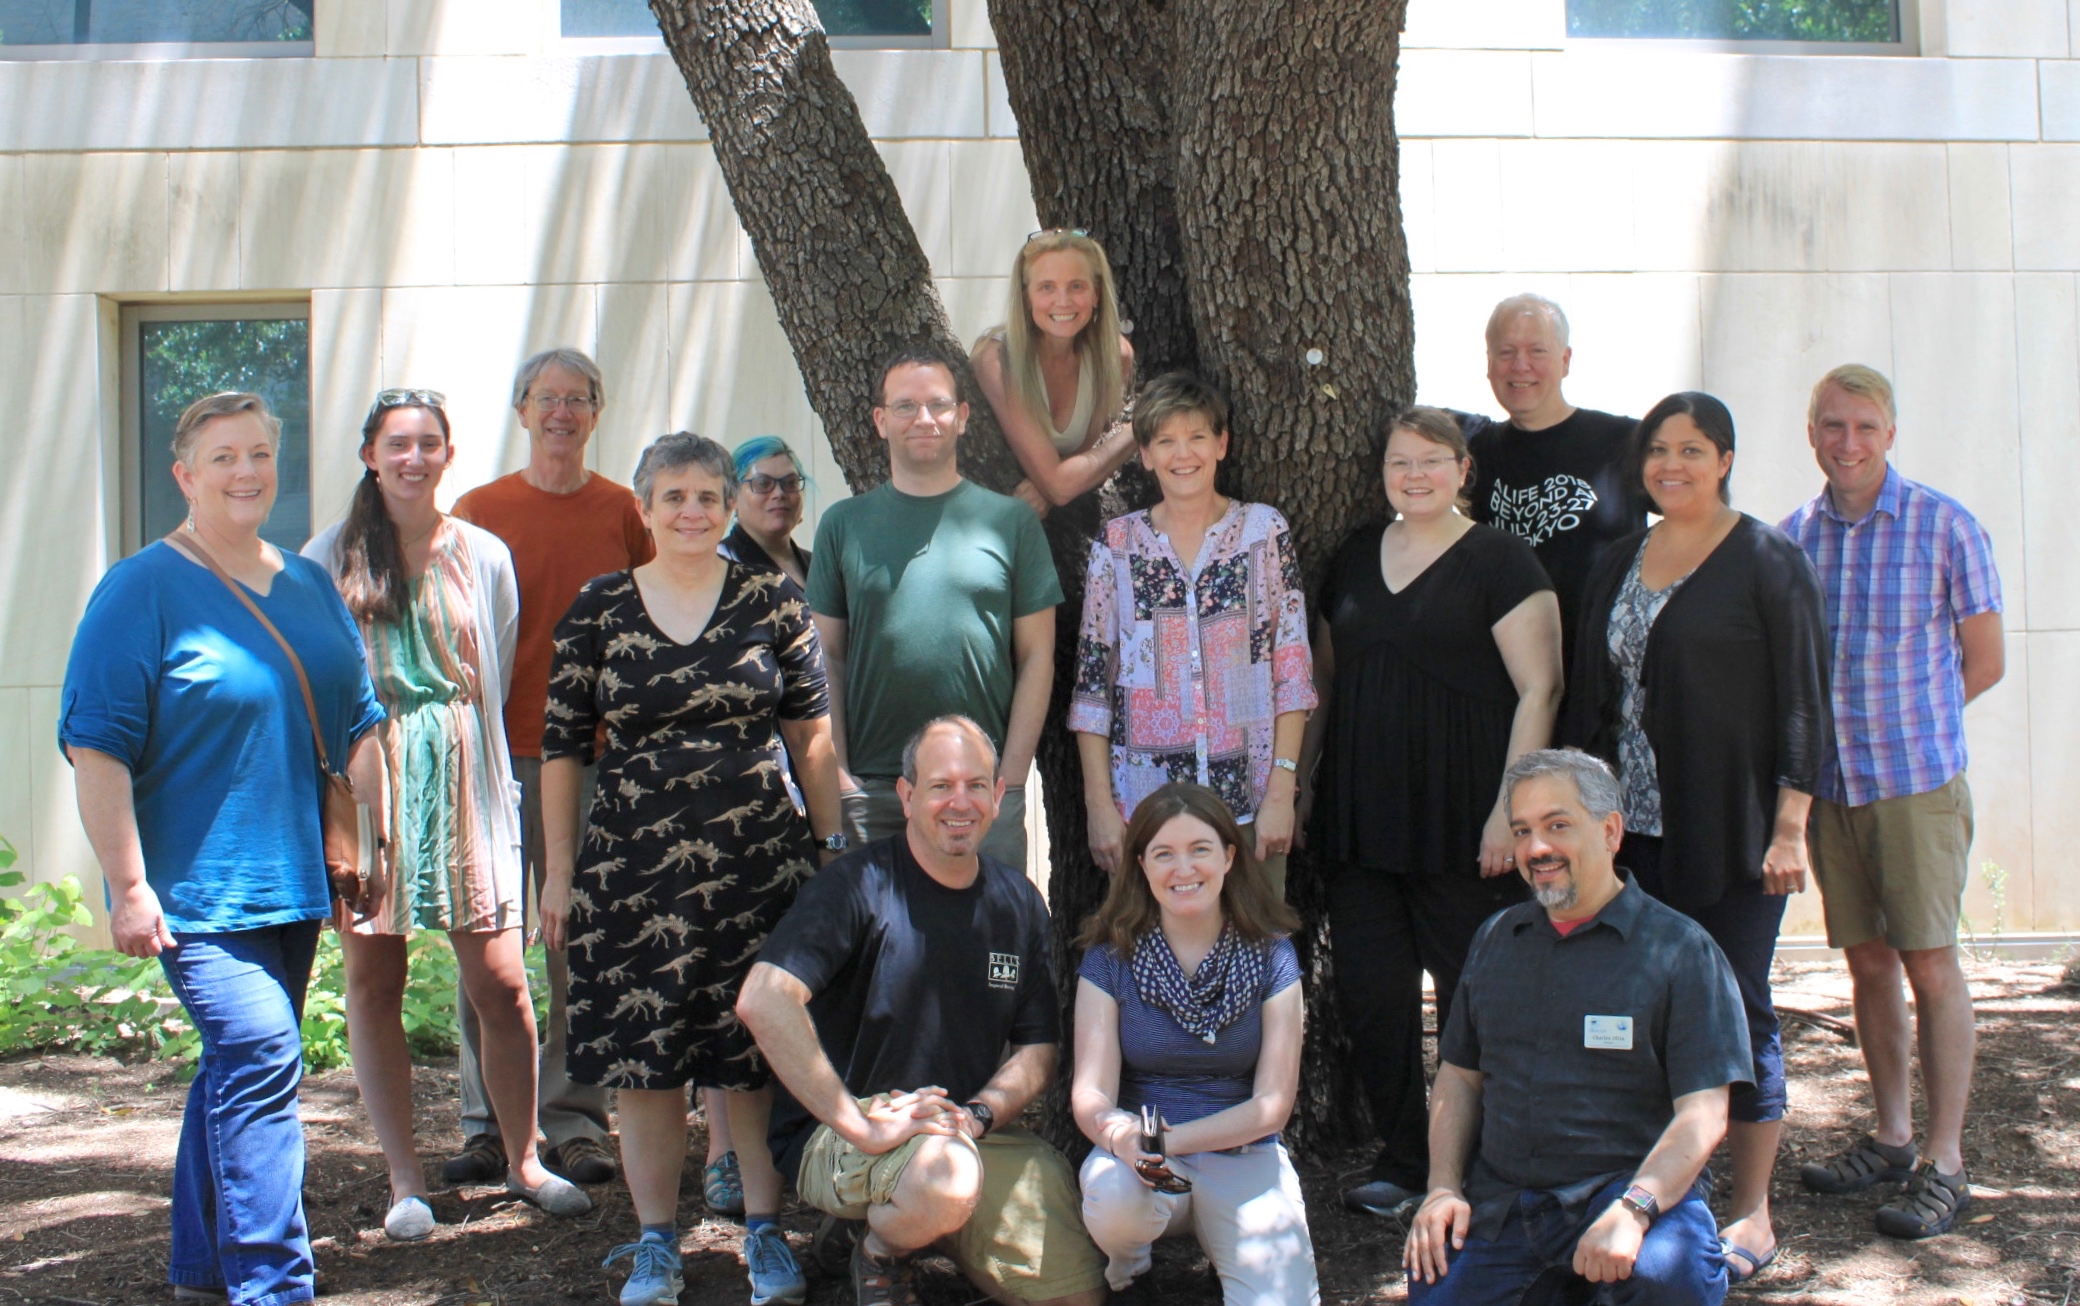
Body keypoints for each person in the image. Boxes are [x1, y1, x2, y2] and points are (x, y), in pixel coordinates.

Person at [60, 391, 386, 1305]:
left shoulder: (307, 581)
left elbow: (358, 721)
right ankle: (272, 1285)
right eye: (222, 458)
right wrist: (128, 885)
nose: (246, 473)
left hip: (295, 880)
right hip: (194, 892)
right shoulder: (142, 589)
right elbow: (97, 746)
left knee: (236, 1069)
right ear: (185, 476)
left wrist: (374, 842)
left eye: (258, 455)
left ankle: (202, 1271)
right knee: (260, 1055)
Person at [537, 432, 844, 1306]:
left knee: (749, 1053)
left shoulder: (770, 601)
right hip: (631, 868)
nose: (692, 512)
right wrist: (560, 873)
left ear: (730, 503)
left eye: (708, 496)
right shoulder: (598, 610)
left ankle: (763, 1234)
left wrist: (828, 851)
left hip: (759, 861)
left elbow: (810, 735)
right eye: (672, 497)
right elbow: (562, 750)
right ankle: (654, 1245)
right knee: (647, 1062)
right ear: (644, 510)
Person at [303, 389, 590, 1236]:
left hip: (467, 781)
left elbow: (491, 671)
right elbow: (321, 681)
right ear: (370, 454)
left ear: (447, 454)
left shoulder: (483, 552)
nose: (413, 458)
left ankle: (525, 1155)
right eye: (398, 444)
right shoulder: (328, 556)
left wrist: (491, 789)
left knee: (502, 985)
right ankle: (404, 1180)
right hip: (372, 785)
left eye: (429, 443)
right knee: (373, 981)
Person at [1564, 392, 1830, 1284]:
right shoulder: (1616, 559)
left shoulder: (1767, 559)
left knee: (1737, 1009)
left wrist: (1791, 827)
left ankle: (1754, 1208)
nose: (1670, 465)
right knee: (1641, 1011)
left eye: (1691, 449)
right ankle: (1667, 1187)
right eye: (1657, 452)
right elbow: (1588, 695)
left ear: (1724, 458)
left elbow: (1802, 702)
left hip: (1732, 832)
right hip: (1629, 836)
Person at [737, 716, 1108, 1306]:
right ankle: (881, 1254)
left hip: (958, 1134)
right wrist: (859, 1123)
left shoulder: (1018, 902)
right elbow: (762, 999)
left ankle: (893, 1224)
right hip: (848, 1131)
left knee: (1076, 1297)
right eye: (940, 786)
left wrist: (980, 1115)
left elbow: (1038, 1049)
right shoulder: (858, 886)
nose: (959, 802)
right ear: (907, 796)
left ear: (997, 793)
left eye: (976, 785)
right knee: (946, 1178)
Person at [1300, 406, 1564, 1220]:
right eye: (1397, 463)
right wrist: (1307, 790)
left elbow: (1540, 689)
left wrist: (1510, 816)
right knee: (1374, 1002)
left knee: (1468, 1003)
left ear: (1462, 470)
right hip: (1362, 824)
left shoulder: (1502, 560)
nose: (1412, 476)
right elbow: (1325, 683)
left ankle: (1474, 1168)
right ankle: (1407, 1160)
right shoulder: (1349, 559)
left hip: (1465, 826)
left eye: (1430, 461)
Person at [1780, 365, 2004, 1240]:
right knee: (1868, 963)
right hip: (1834, 792)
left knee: (1930, 963)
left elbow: (1982, 662)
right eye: (1832, 426)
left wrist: (1917, 730)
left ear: (1891, 433)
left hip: (1915, 788)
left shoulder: (1945, 527)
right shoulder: (1793, 538)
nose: (1848, 443)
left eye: (1865, 426)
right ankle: (1892, 1136)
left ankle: (1945, 1164)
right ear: (1812, 435)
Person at [1403, 748, 1752, 1306]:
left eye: (1557, 825)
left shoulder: (1682, 951)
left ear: (1611, 831)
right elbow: (1459, 1078)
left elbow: (1705, 1112)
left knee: (1670, 1278)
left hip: (1631, 1189)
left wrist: (1635, 1209)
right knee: (1436, 1287)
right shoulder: (1495, 940)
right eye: (1522, 831)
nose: (1536, 848)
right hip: (1508, 1202)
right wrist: (1442, 1187)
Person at [446, 346, 654, 1187]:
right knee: (488, 945)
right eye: (547, 398)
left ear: (596, 415)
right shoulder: (478, 509)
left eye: (578, 399)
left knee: (584, 944)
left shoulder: (623, 513)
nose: (562, 412)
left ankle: (573, 1119)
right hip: (496, 757)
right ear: (522, 410)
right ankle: (488, 1124)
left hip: (597, 761)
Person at [807, 347, 1063, 871]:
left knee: (988, 944)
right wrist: (843, 778)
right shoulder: (843, 525)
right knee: (874, 950)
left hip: (980, 793)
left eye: (938, 405)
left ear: (962, 417)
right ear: (880, 421)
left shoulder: (1011, 523)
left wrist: (1007, 781)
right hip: (875, 791)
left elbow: (1038, 657)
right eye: (904, 406)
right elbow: (825, 657)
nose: (923, 419)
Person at [1068, 372, 1316, 896]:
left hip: (1248, 804)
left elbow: (1291, 668)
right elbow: (1092, 688)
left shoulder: (1262, 532)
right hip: (1145, 810)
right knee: (1151, 963)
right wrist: (1099, 808)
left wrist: (1281, 788)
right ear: (1146, 454)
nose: (1184, 454)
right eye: (1166, 441)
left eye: (1198, 436)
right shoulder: (1118, 546)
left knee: (1255, 959)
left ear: (1221, 444)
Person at [1072, 783, 1318, 1305]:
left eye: (1200, 850)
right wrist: (1124, 1140)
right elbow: (1091, 1092)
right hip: (1139, 1163)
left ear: (1230, 856)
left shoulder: (1273, 956)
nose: (1183, 870)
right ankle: (1130, 1271)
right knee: (1117, 1200)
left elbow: (1273, 1107)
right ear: (1141, 864)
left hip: (1243, 1154)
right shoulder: (1109, 957)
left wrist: (1167, 1140)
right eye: (1164, 854)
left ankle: (1226, 1253)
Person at [703, 432, 816, 1214]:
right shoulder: (719, 571)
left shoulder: (810, 566)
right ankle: (719, 1153)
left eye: (788, 481)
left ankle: (794, 1132)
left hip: (806, 789)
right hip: (743, 792)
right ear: (736, 494)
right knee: (729, 973)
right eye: (760, 482)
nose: (776, 494)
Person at [1455, 293, 1652, 670]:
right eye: (1506, 352)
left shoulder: (1625, 442)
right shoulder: (1474, 450)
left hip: (1603, 674)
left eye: (1538, 351)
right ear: (1489, 364)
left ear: (1565, 361)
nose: (1521, 365)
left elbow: (1698, 514)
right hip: (1505, 673)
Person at [971, 228, 1138, 516]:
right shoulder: (997, 360)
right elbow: (1060, 487)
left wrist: (1047, 481)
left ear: (1096, 294)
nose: (1063, 301)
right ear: (1026, 297)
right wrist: (1142, 427)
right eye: (1046, 287)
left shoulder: (1114, 357)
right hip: (984, 519)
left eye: (1076, 286)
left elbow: (1072, 465)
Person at [723, 435, 813, 591]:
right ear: (733, 495)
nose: (779, 493)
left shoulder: (818, 566)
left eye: (790, 482)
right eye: (763, 483)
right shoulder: (720, 566)